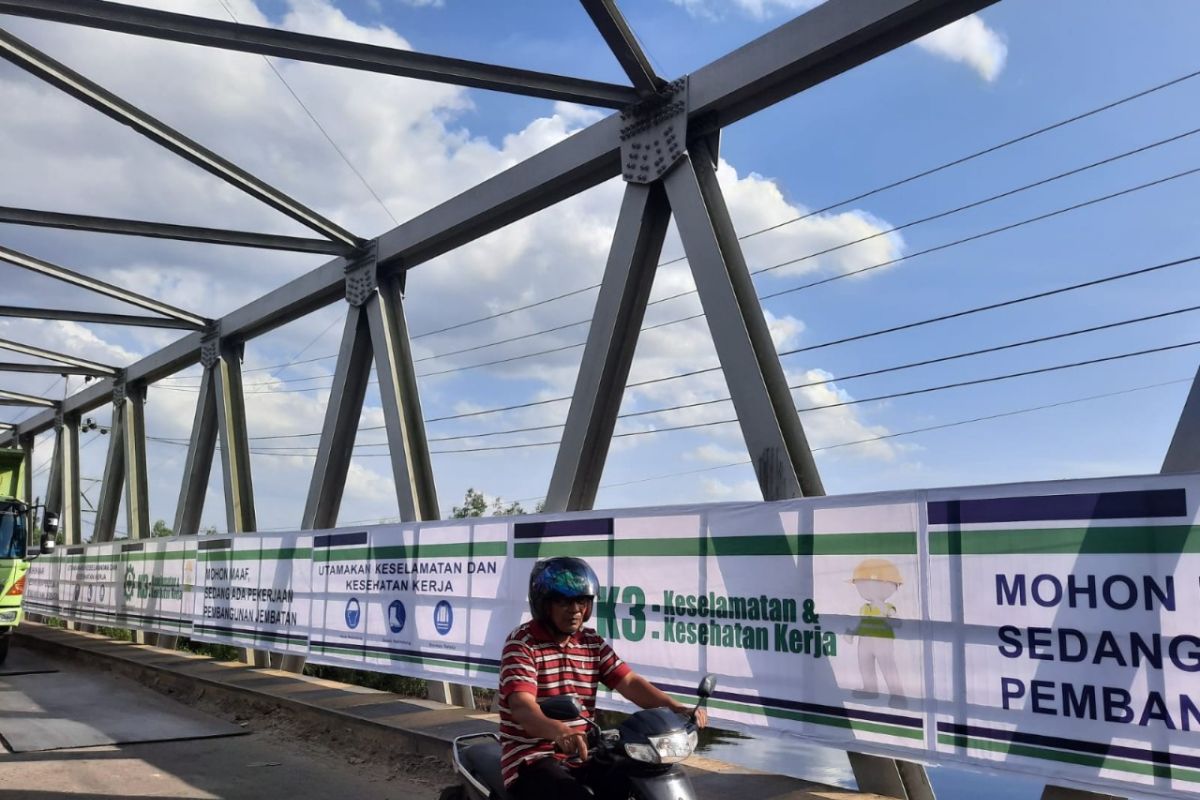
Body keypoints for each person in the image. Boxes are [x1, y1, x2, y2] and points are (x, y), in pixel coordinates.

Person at [498, 556, 707, 799]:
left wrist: (674, 707)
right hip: (532, 758)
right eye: (564, 601)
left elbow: (628, 682)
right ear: (544, 604)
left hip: (586, 753)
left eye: (581, 601)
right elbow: (523, 708)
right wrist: (559, 731)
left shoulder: (590, 642)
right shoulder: (523, 644)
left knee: (639, 779)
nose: (575, 609)